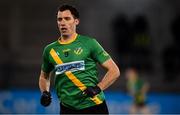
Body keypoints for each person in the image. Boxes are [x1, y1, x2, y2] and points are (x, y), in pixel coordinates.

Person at [38, 5, 120, 114]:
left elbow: (114, 71)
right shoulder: (50, 50)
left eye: (67, 19)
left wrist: (98, 88)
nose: (62, 22)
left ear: (76, 21)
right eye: (59, 19)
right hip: (67, 109)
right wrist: (45, 92)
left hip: (94, 106)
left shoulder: (90, 43)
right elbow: (44, 76)